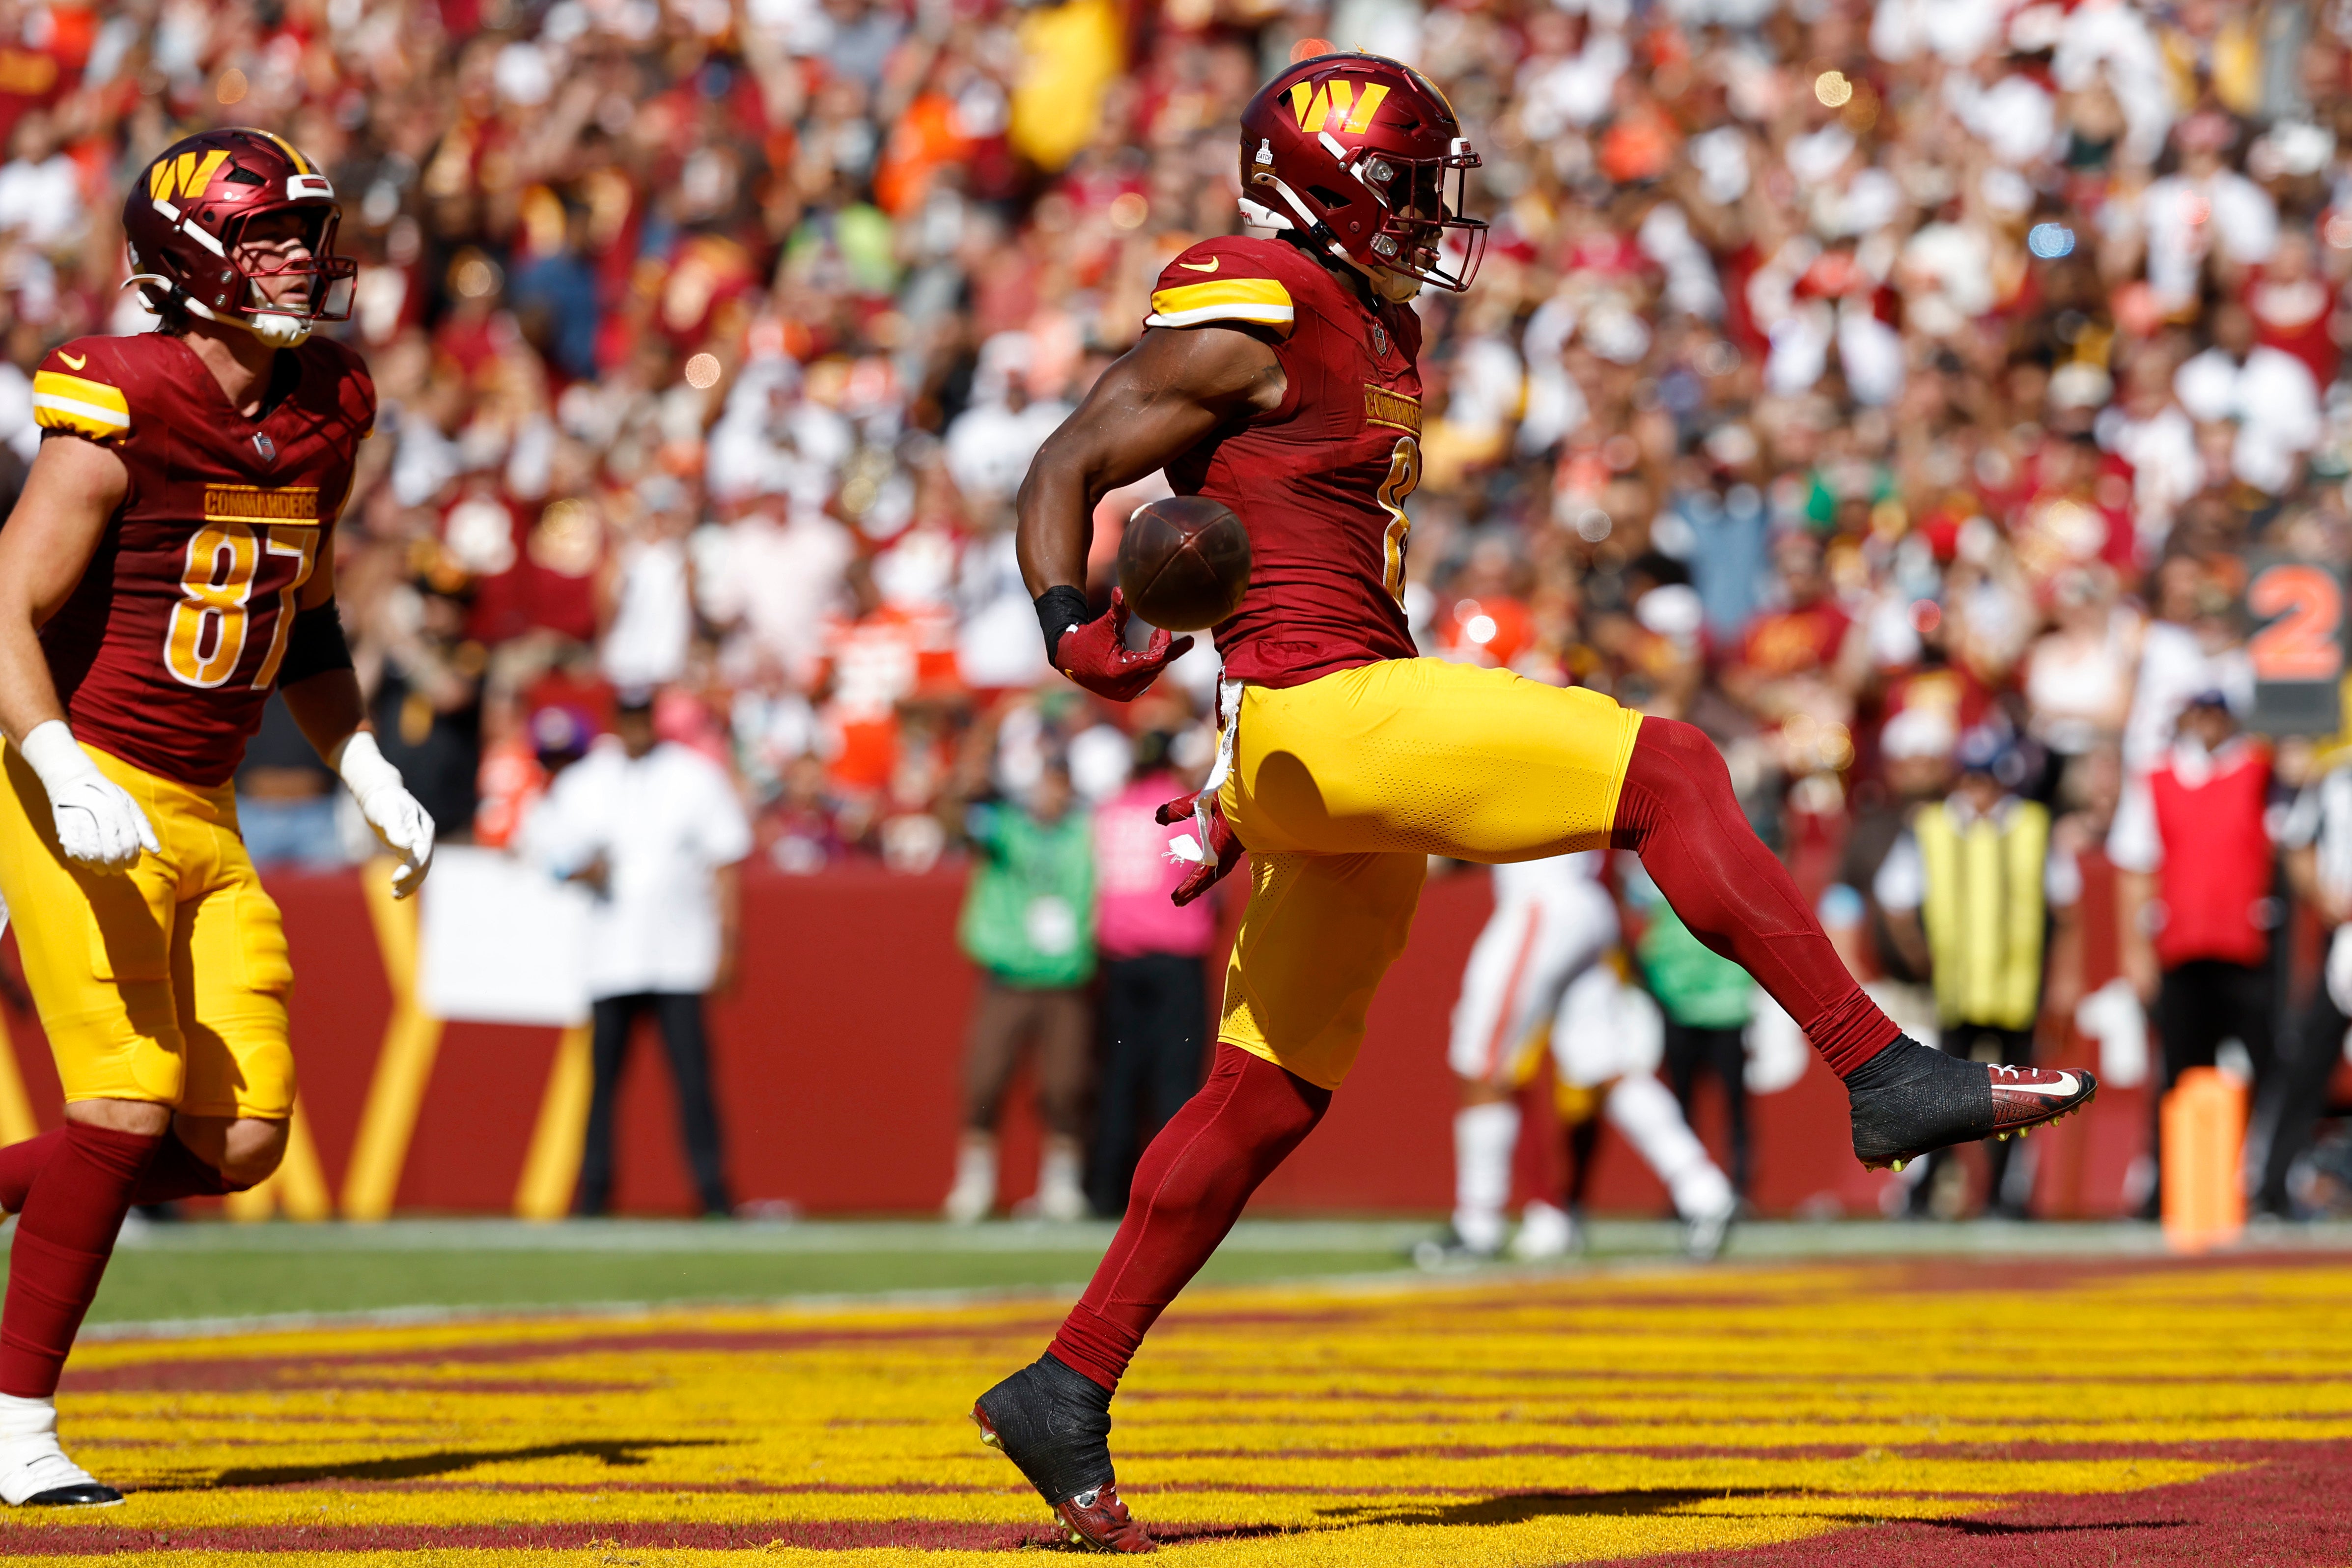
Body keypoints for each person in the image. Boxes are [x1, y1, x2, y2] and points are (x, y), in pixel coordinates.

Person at [967, 53, 2095, 1550]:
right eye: (1405, 183)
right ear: (1329, 182)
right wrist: (1069, 622)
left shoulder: (1366, 319)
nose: (1429, 212)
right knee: (1673, 767)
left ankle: (1067, 1382)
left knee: (1264, 1091)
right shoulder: (1259, 295)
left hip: (1313, 739)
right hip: (1323, 713)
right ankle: (1880, 1068)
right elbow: (1069, 457)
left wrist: (1241, 771)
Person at [0, 130, 433, 1506]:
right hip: (82, 778)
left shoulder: (328, 404)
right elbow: (4, 606)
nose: (298, 260)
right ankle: (16, 1428)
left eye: (306, 234)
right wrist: (58, 762)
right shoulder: (121, 400)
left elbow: (307, 611)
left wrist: (363, 763)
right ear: (186, 258)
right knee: (122, 1101)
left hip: (207, 798)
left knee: (239, 1140)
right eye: (265, 239)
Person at [522, 690, 751, 1218]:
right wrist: (580, 869)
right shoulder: (584, 782)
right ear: (615, 720)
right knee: (602, 1081)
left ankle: (712, 1189)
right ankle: (595, 1190)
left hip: (681, 951)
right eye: (627, 717)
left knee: (693, 1078)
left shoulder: (694, 777)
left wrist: (728, 942)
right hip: (611, 951)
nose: (636, 727)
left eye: (642, 716)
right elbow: (546, 851)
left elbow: (725, 858)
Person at [1874, 726, 2077, 1219]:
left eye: (1989, 780)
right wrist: (1920, 956)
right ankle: (1926, 1193)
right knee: (1945, 1098)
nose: (1980, 791)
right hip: (1958, 989)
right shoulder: (1932, 827)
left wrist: (2066, 977)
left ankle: (2005, 1197)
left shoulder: (2032, 827)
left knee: (2017, 1098)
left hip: (2016, 987)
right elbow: (1894, 898)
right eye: (1973, 779)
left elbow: (2067, 906)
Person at [2109, 690, 2278, 1211]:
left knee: (2266, 1065)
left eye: (2216, 713)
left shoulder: (2257, 769)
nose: (2207, 723)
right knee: (2179, 1072)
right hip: (2182, 947)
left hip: (2246, 945)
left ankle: (2264, 1182)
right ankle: (2170, 1186)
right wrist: (2135, 952)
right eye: (2199, 713)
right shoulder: (2157, 777)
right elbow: (2136, 867)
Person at [942, 758, 1097, 1224]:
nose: (1051, 795)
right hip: (1009, 975)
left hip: (1065, 978)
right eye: (1044, 785)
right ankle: (976, 1182)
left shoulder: (1084, 834)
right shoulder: (1005, 827)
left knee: (1065, 1084)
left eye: (1059, 786)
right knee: (985, 1078)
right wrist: (964, 786)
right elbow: (956, 822)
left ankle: (1061, 1184)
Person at [1086, 731, 1216, 1218]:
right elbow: (1209, 872)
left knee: (1119, 1078)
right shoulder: (1186, 809)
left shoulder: (1108, 811)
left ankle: (1107, 1190)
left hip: (1119, 959)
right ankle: (1174, 1192)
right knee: (1175, 1080)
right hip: (1174, 957)